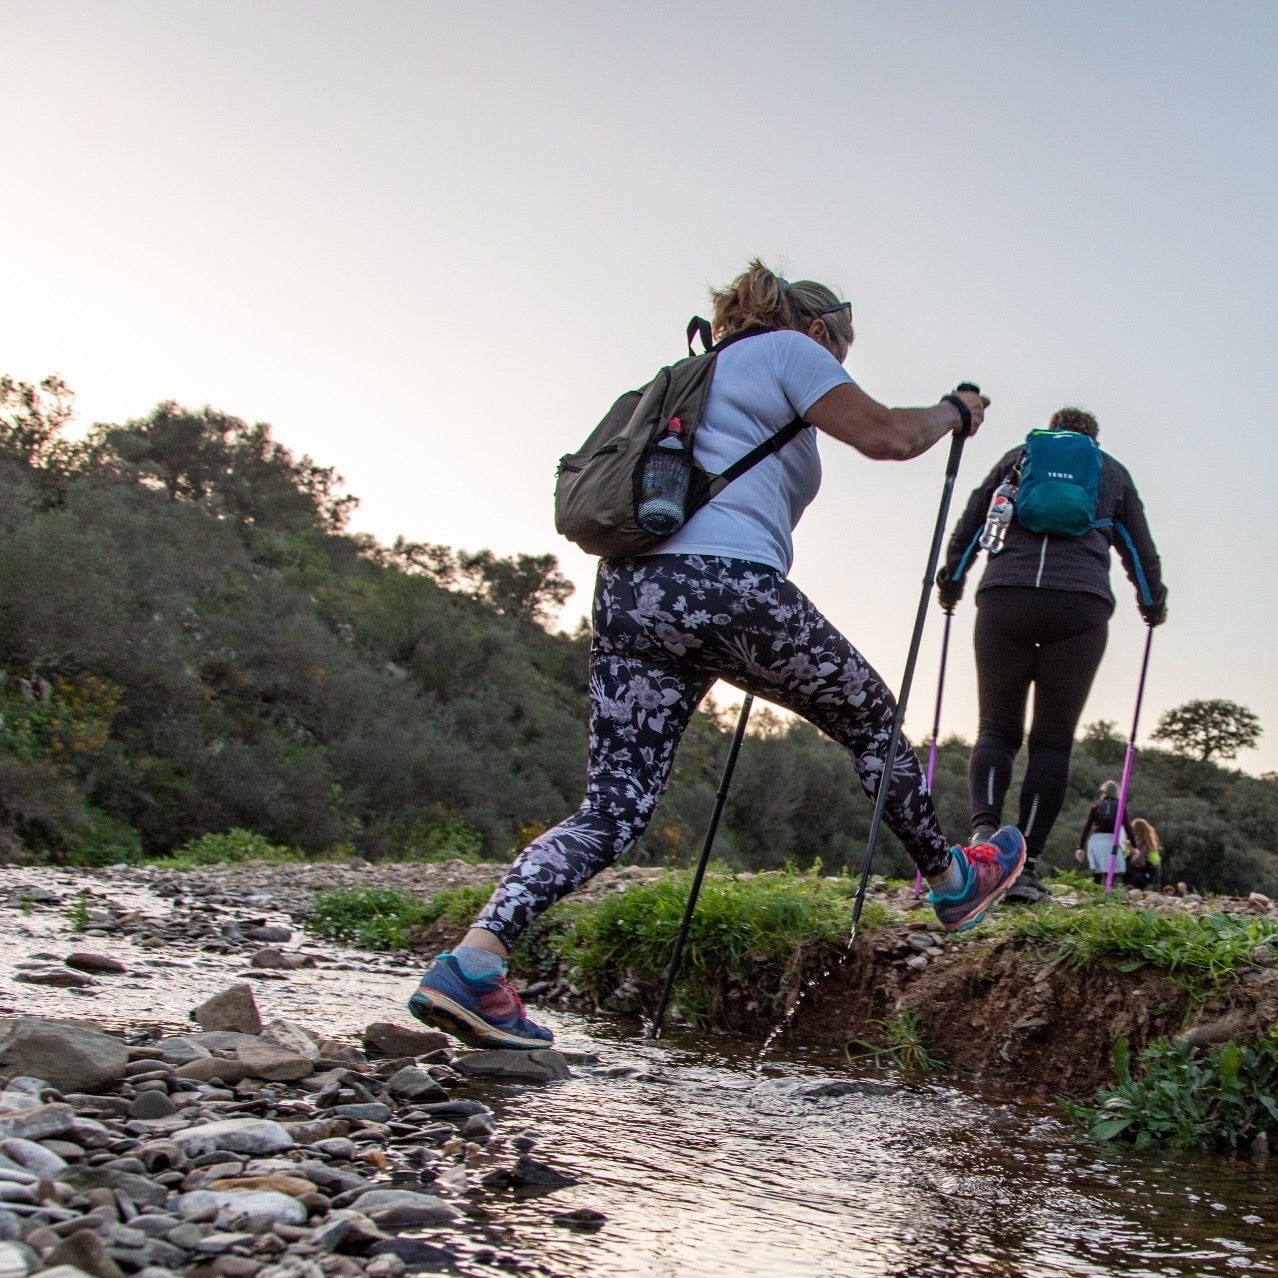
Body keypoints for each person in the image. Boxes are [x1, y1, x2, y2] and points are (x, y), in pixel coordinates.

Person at [408, 259, 1026, 1049]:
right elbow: (892, 436)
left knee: (612, 809)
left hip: (633, 596)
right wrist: (954, 411)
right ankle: (953, 881)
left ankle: (473, 964)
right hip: (724, 586)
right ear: (817, 331)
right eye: (843, 350)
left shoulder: (690, 378)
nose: (839, 368)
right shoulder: (788, 353)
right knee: (871, 719)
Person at [936, 407, 1166, 900]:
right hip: (1079, 607)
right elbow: (1138, 547)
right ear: (1093, 440)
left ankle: (983, 842)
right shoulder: (1112, 473)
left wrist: (951, 583)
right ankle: (1026, 866)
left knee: (996, 728)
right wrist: (1152, 602)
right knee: (1052, 743)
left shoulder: (1017, 461)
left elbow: (974, 523)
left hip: (1006, 596)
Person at [1076, 779, 1128, 876]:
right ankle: (1109, 890)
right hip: (1113, 840)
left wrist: (1080, 847)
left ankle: (1097, 889)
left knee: (1097, 872)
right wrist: (1134, 846)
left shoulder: (1095, 805)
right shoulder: (1120, 806)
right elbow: (1127, 826)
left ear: (1103, 791)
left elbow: (1087, 827)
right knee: (1111, 872)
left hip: (1097, 840)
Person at [1124, 817, 1163, 889]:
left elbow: (1124, 856)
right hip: (1145, 878)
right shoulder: (1150, 845)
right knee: (1157, 868)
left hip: (1129, 876)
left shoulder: (1128, 843)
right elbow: (1156, 861)